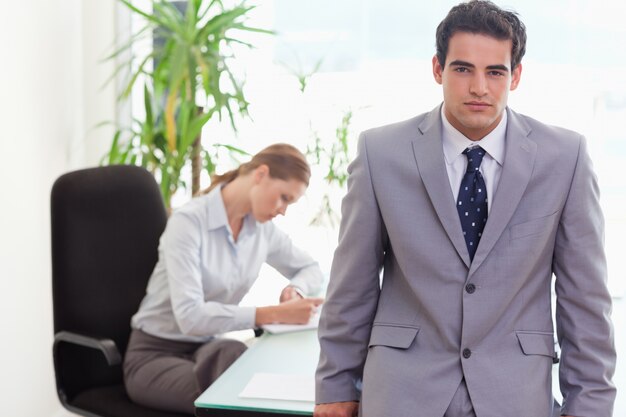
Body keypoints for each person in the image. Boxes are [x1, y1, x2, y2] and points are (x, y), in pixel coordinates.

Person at [314, 1, 616, 417]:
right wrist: (334, 388)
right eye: (462, 69)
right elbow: (352, 287)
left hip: (515, 395)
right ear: (437, 69)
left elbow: (584, 301)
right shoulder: (381, 153)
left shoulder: (565, 158)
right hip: (402, 392)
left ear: (517, 75)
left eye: (495, 72)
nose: (479, 87)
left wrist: (591, 406)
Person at [124, 143, 324, 414]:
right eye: (284, 198)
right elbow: (190, 316)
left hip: (208, 347)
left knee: (237, 357)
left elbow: (311, 268)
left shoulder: (261, 230)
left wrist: (296, 289)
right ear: (261, 174)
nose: (283, 210)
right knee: (234, 397)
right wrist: (276, 314)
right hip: (154, 355)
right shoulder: (189, 222)